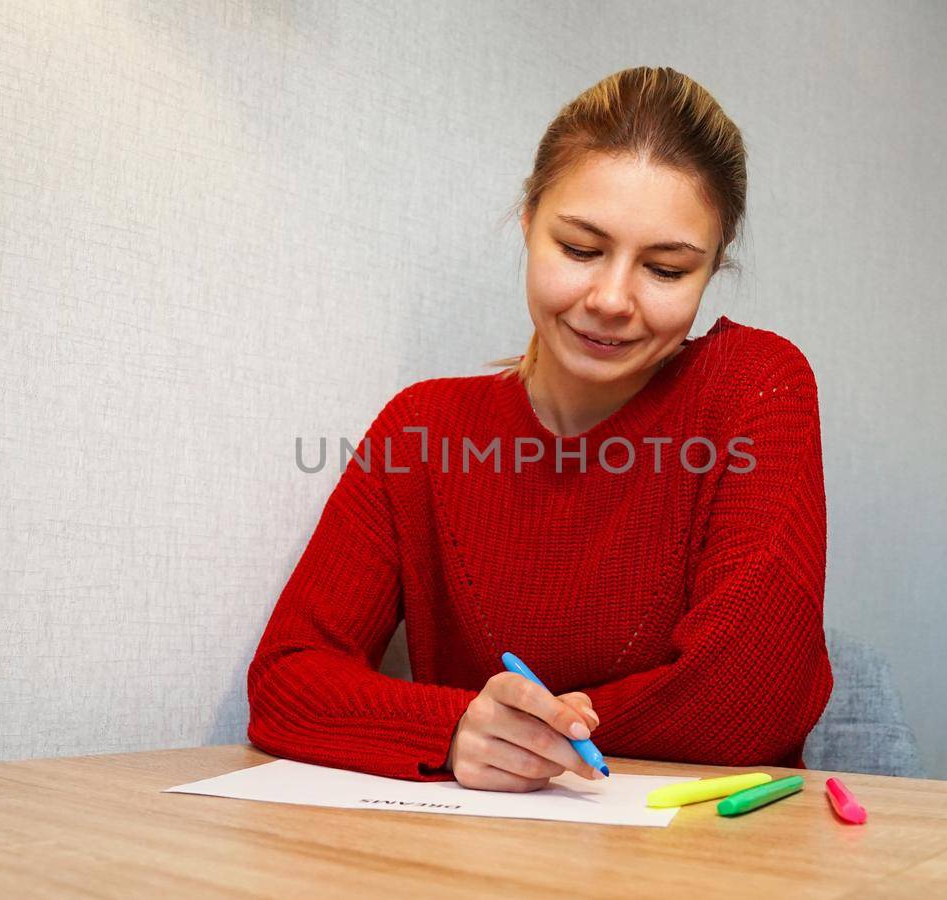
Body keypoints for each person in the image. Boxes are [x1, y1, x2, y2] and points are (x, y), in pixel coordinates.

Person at [247, 66, 831, 792]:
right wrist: (457, 729)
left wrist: (523, 739)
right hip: (489, 860)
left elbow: (750, 701)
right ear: (528, 222)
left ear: (713, 269)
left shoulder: (755, 386)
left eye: (666, 269)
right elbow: (287, 678)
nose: (612, 298)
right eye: (581, 250)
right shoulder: (421, 429)